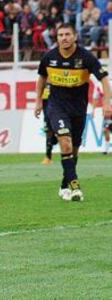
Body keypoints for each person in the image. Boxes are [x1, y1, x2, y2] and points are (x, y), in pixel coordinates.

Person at [34, 23, 112, 201]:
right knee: (65, 142)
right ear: (57, 37)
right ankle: (75, 186)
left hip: (78, 109)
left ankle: (64, 184)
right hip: (56, 107)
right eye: (60, 35)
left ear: (75, 36)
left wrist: (107, 103)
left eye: (67, 34)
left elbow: (105, 79)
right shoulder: (49, 57)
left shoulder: (86, 57)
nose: (64, 38)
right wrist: (38, 101)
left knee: (74, 150)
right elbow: (41, 78)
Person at [91, 79, 112, 155]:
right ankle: (106, 150)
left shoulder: (110, 83)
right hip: (107, 112)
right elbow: (96, 98)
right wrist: (93, 110)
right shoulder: (98, 86)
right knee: (106, 130)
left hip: (109, 110)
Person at [41, 83, 58, 164]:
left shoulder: (58, 85)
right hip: (47, 115)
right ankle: (48, 157)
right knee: (48, 134)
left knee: (62, 134)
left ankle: (68, 155)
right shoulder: (45, 87)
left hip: (58, 114)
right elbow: (43, 101)